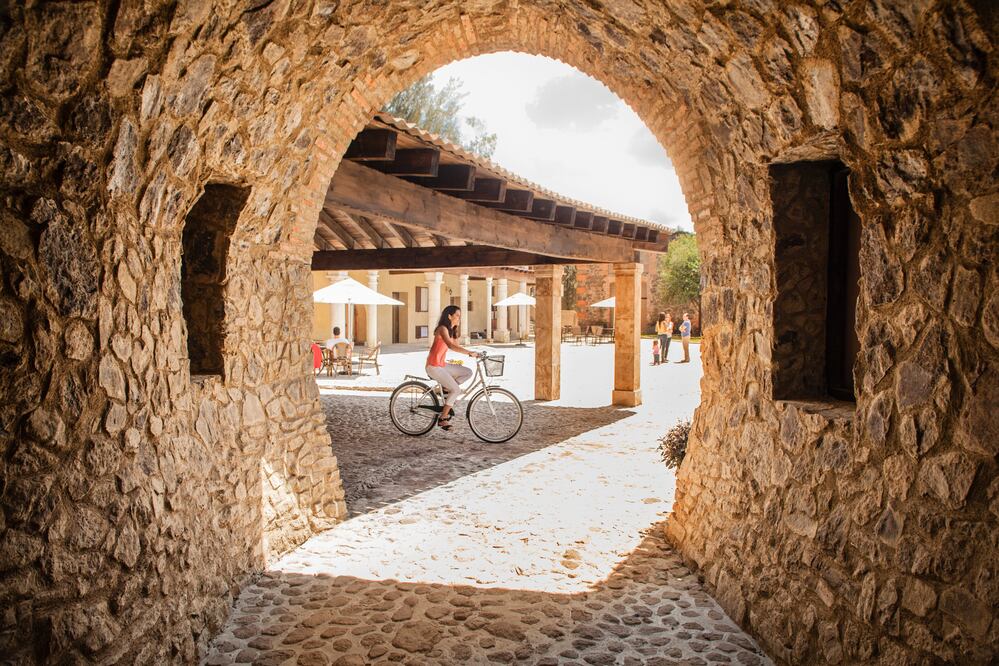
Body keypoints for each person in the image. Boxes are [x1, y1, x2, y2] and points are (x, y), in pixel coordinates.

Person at [426, 305, 480, 430]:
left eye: (460, 316)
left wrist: (455, 328)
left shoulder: (450, 330)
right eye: (457, 316)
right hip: (433, 366)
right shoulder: (442, 329)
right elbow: (450, 346)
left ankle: (445, 388)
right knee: (456, 390)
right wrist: (469, 353)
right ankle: (443, 418)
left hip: (442, 365)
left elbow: (457, 345)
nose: (459, 318)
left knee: (467, 372)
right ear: (449, 316)